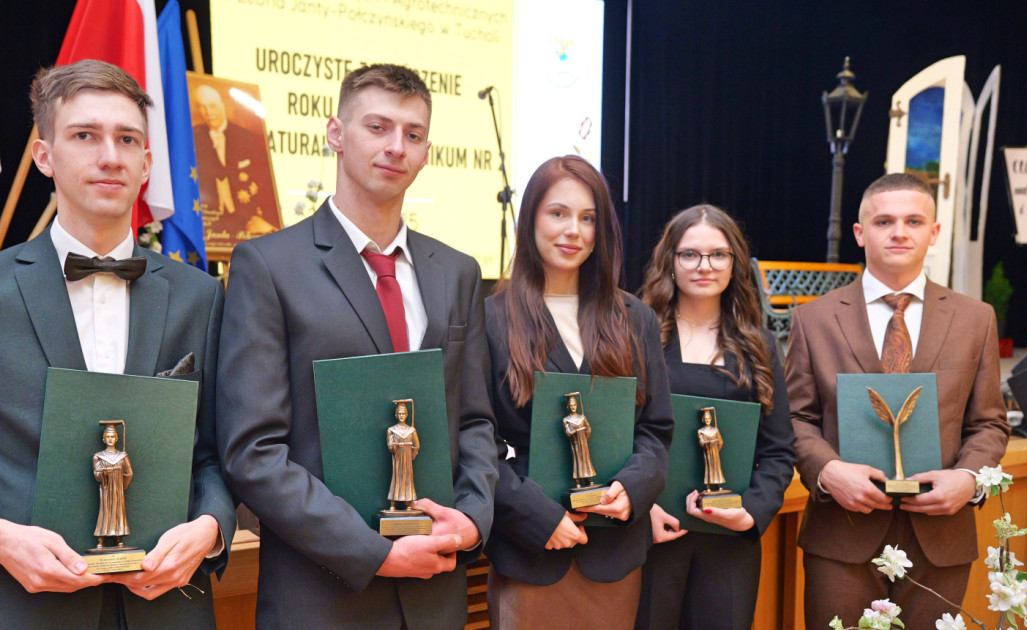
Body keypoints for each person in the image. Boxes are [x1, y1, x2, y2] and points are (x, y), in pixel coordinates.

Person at [0, 59, 235, 630]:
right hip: (23, 611)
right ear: (45, 156)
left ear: (147, 162)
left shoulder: (202, 296)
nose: (110, 155)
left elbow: (218, 453)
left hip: (170, 610)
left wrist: (211, 527)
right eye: (85, 135)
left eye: (127, 139)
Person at [216, 63, 500, 629]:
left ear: (425, 152)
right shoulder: (268, 265)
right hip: (320, 594)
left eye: (413, 134)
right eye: (378, 127)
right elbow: (253, 450)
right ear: (335, 134)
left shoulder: (459, 271)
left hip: (435, 592)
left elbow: (473, 422)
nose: (397, 146)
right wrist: (375, 552)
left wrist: (471, 519)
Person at [786, 173, 1009, 628]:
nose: (899, 232)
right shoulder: (814, 319)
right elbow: (795, 417)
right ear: (860, 232)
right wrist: (827, 471)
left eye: (913, 221)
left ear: (934, 232)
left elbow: (989, 423)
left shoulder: (976, 318)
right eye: (884, 221)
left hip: (941, 534)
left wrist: (969, 479)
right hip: (842, 533)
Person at [484, 155, 674, 629]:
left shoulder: (635, 319)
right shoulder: (491, 319)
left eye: (588, 218)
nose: (573, 230)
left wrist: (633, 491)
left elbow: (655, 430)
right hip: (531, 550)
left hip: (614, 552)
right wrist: (534, 516)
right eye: (558, 213)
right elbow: (473, 441)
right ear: (530, 220)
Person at [634, 204, 795, 629]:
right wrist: (640, 505)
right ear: (669, 261)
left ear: (734, 263)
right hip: (651, 536)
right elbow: (617, 435)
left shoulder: (758, 345)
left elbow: (779, 452)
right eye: (690, 254)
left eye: (718, 254)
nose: (704, 265)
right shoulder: (636, 332)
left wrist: (751, 512)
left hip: (729, 544)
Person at [192, 83, 277, 243]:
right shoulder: (193, 138)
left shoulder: (247, 138)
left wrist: (266, 222)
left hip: (249, 222)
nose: (208, 112)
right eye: (202, 107)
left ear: (222, 105)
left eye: (212, 106)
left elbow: (264, 183)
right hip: (210, 225)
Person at [93, 424, 133, 548]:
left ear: (116, 438)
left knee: (118, 511)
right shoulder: (98, 456)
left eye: (112, 436)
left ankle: (118, 537)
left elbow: (129, 473)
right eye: (108, 436)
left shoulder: (123, 456)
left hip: (118, 489)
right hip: (106, 488)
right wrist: (105, 472)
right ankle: (102, 538)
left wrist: (123, 486)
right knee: (105, 511)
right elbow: (96, 473)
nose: (110, 439)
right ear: (104, 439)